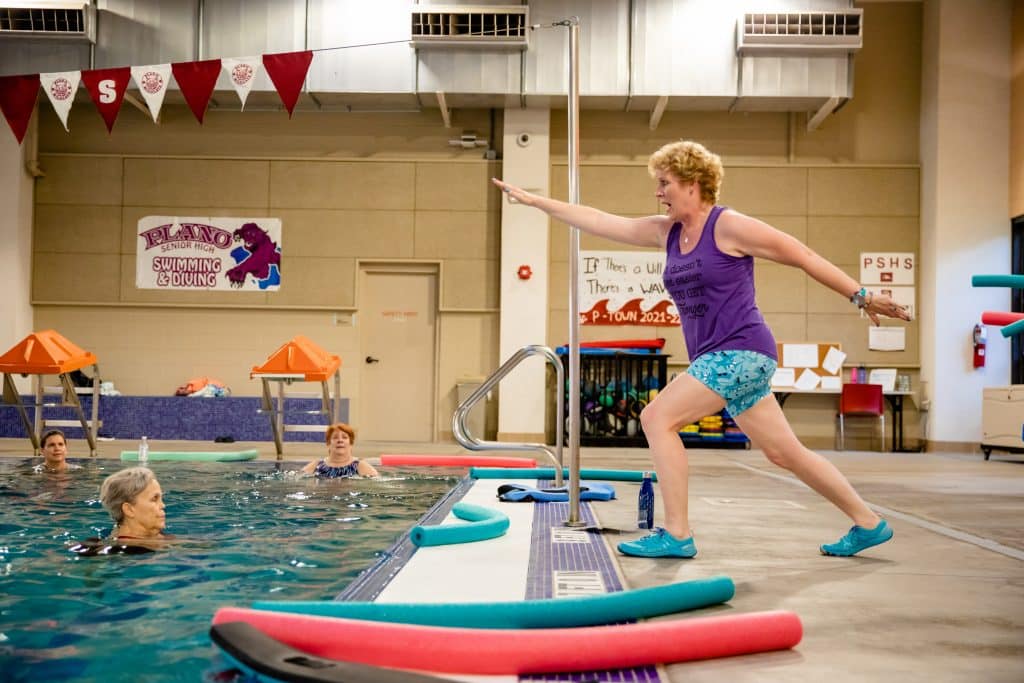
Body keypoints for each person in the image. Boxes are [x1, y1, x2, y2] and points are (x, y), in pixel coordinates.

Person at [492, 139, 912, 559]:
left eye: (665, 183)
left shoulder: (728, 226)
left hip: (740, 350)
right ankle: (868, 522)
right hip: (723, 359)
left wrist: (861, 295)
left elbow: (800, 254)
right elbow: (601, 220)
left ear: (693, 183)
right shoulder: (666, 232)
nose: (658, 192)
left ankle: (676, 534)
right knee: (785, 453)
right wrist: (535, 201)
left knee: (656, 417)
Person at [301, 423, 379, 478]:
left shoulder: (360, 466)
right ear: (328, 443)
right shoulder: (317, 465)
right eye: (335, 437)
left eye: (344, 437)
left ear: (351, 443)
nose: (340, 440)